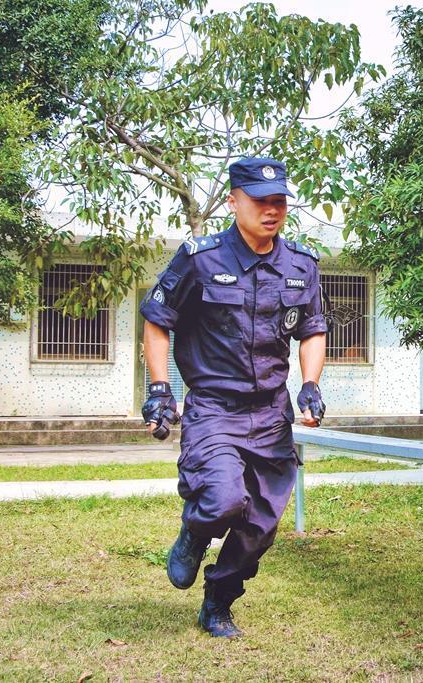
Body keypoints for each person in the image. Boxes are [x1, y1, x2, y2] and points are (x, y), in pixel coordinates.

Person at [139, 157, 328, 638]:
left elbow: (312, 329)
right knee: (223, 500)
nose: (272, 209)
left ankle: (218, 603)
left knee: (259, 527)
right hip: (214, 409)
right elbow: (159, 320)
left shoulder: (301, 265)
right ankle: (193, 533)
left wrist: (310, 383)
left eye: (280, 201)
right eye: (261, 201)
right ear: (233, 201)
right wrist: (161, 388)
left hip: (270, 413)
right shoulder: (200, 259)